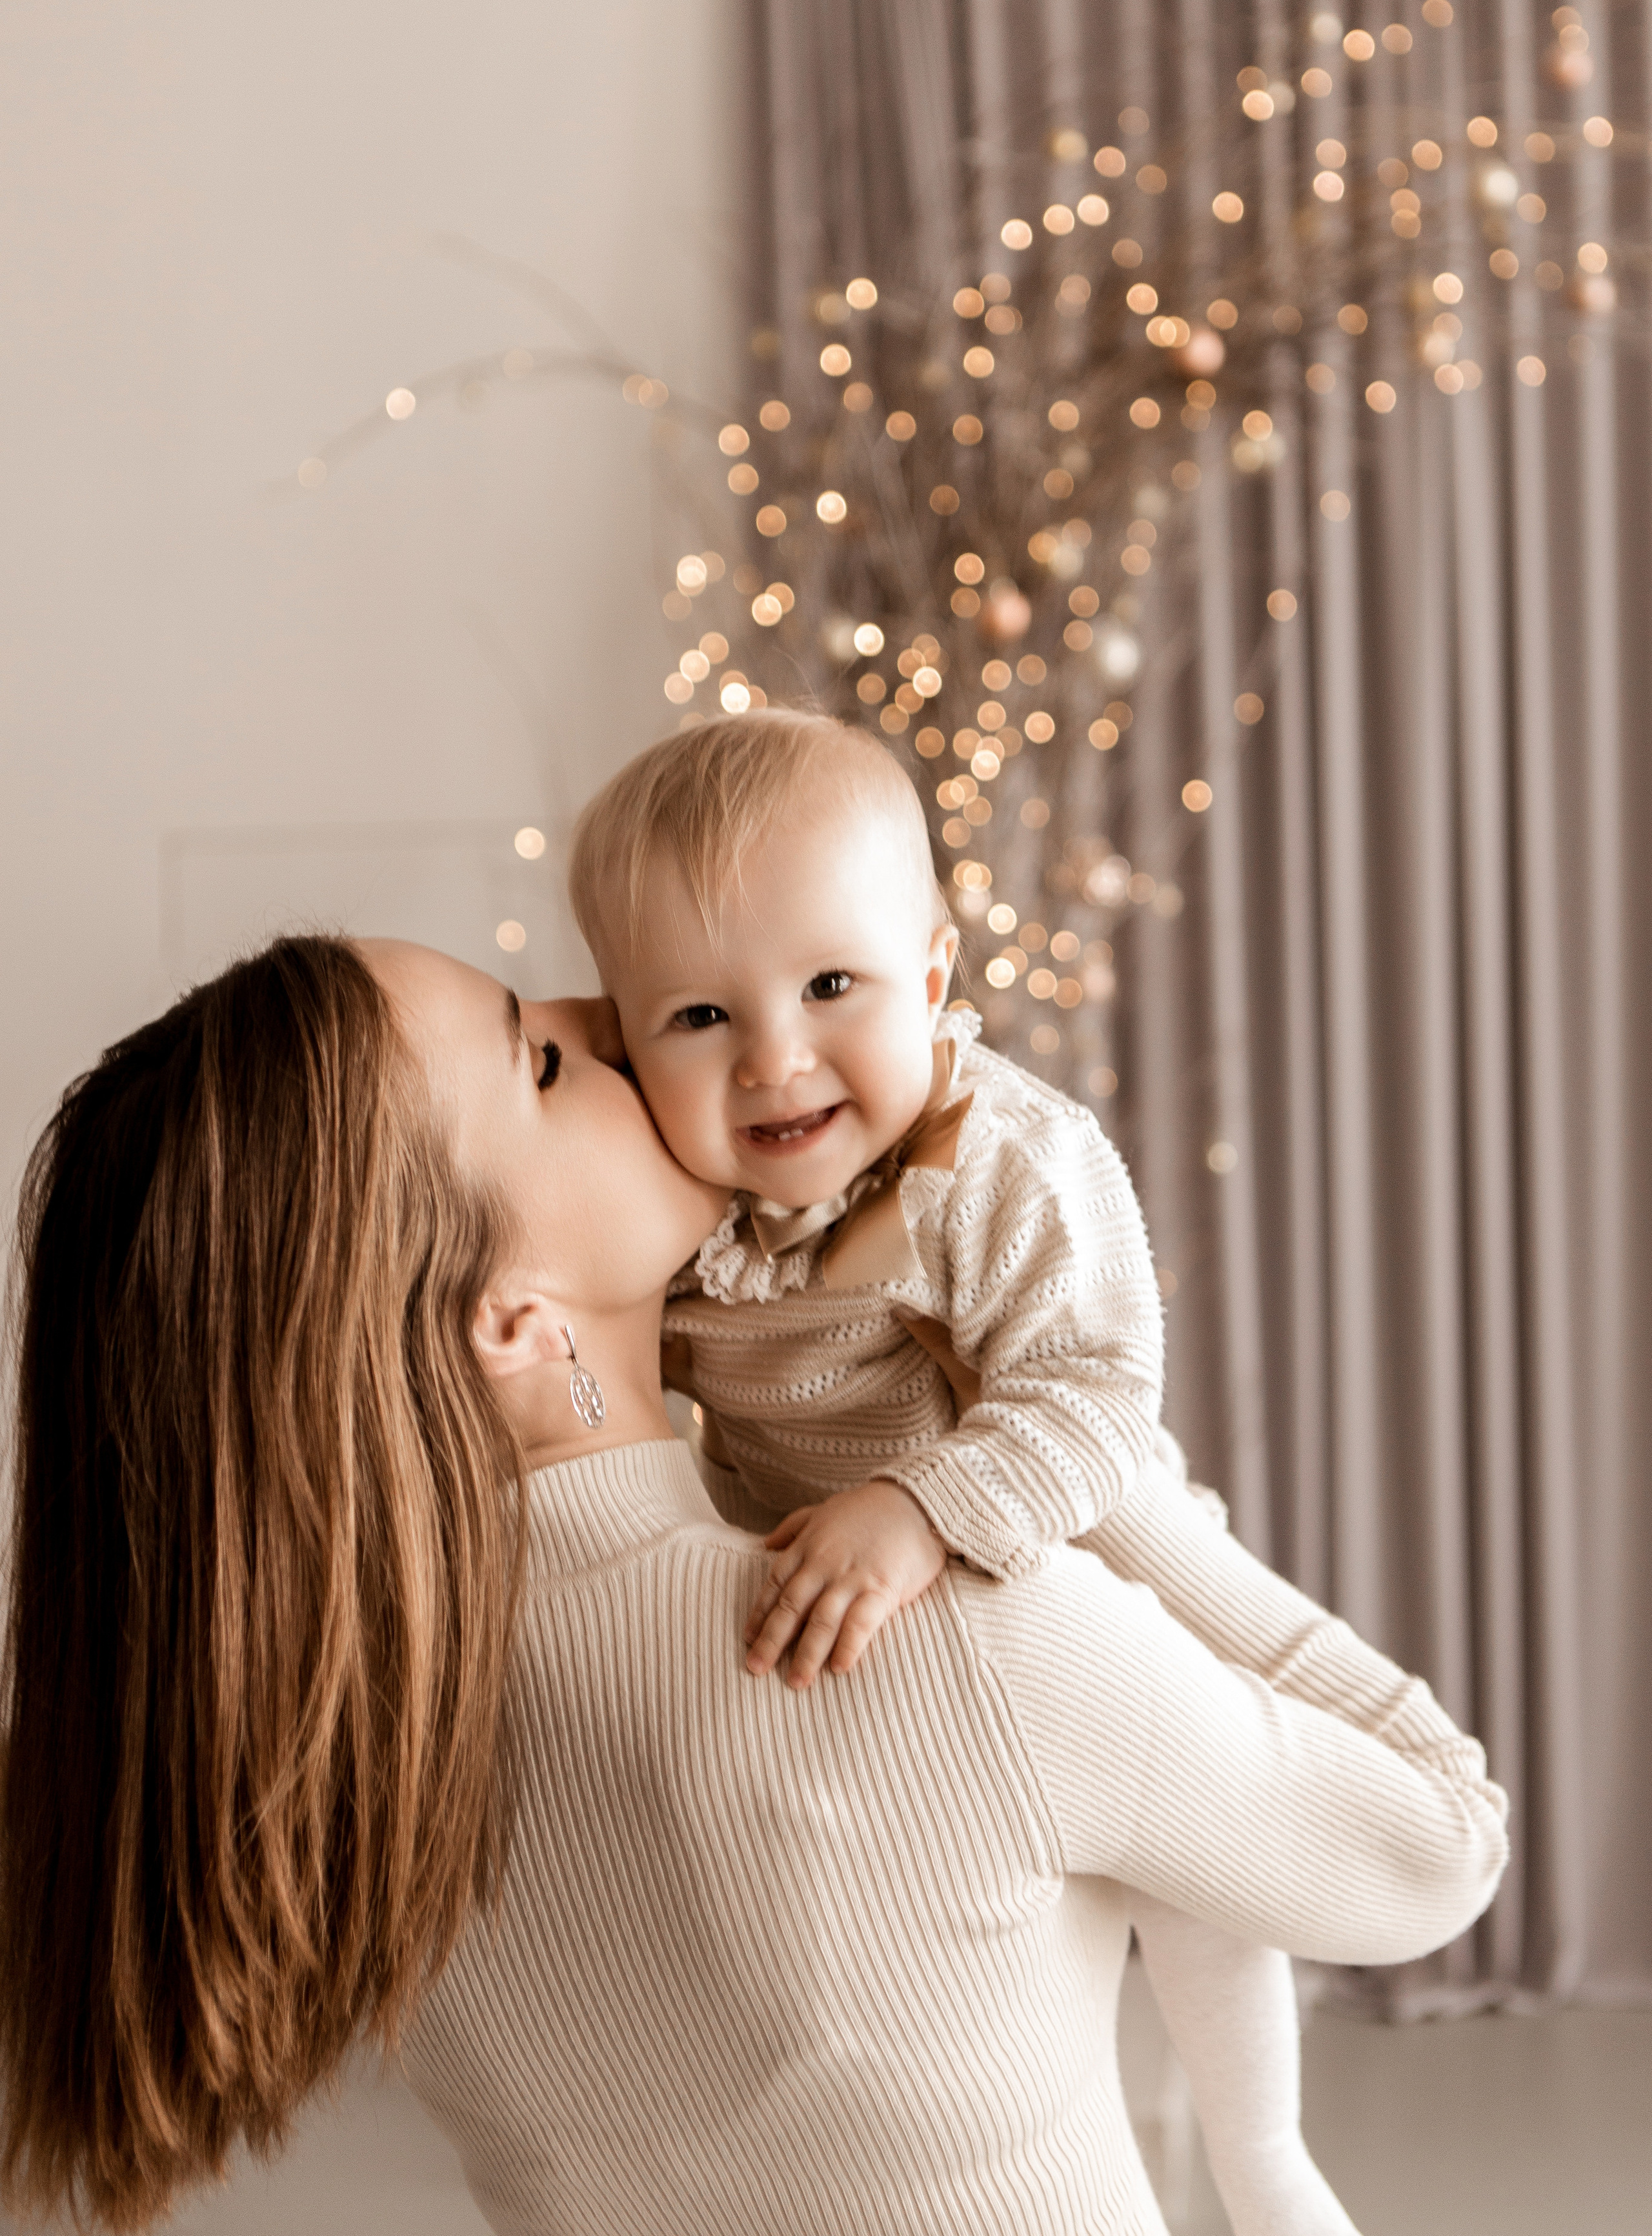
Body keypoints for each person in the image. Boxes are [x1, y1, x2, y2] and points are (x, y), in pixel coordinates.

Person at [0, 933, 1507, 2236]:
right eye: (535, 1060)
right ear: (509, 1321)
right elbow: (1436, 1840)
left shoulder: (346, 1765)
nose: (610, 1020)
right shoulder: (950, 1637)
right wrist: (1074, 1449)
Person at [567, 707, 1474, 2236]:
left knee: (1191, 1869)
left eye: (830, 986)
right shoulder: (679, 1207)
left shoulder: (999, 1161)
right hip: (862, 1606)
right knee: (1042, 1919)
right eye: (697, 1019)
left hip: (1066, 1526)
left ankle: (1259, 2157)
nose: (774, 1055)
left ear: (930, 978)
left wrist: (927, 1507)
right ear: (619, 1037)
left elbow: (1099, 1388)